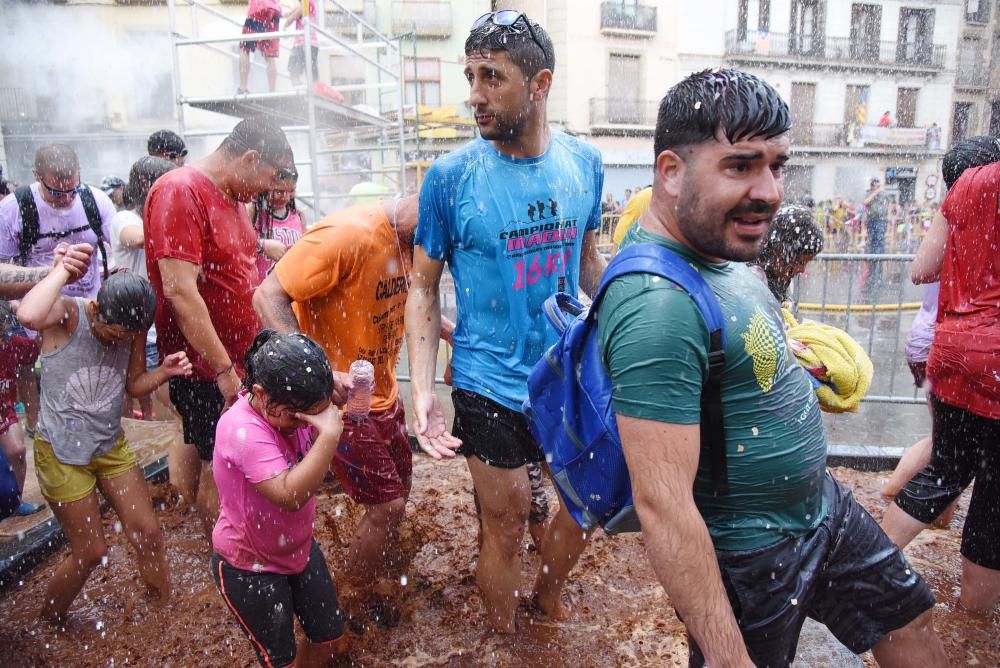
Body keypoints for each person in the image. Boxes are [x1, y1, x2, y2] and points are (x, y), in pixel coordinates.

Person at [600, 68, 945, 667]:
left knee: (910, 626)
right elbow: (664, 508)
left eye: (777, 166)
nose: (770, 191)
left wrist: (795, 368)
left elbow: (742, 356)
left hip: (823, 512)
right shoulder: (655, 303)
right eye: (740, 165)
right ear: (671, 171)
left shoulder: (724, 246)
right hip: (750, 557)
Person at [405, 10, 607, 633]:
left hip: (565, 370)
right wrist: (422, 391)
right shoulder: (450, 178)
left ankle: (546, 598)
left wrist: (627, 343)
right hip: (486, 378)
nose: (474, 95)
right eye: (470, 75)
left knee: (584, 503)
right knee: (508, 517)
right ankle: (502, 637)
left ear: (540, 84)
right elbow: (422, 285)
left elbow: (590, 263)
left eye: (491, 77)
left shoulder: (584, 164)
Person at [255, 196, 455, 621]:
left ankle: (380, 577)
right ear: (425, 204)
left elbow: (404, 303)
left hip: (381, 395)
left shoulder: (414, 243)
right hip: (342, 403)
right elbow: (267, 296)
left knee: (399, 494)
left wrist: (448, 332)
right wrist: (322, 373)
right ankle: (348, 601)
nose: (437, 255)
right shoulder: (348, 235)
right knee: (388, 507)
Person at [144, 116, 295, 536]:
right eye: (267, 177)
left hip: (239, 359)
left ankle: (226, 538)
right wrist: (225, 371)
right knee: (222, 463)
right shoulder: (180, 191)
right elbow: (180, 292)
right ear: (248, 158)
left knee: (225, 457)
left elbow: (239, 268)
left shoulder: (233, 197)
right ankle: (231, 556)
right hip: (207, 368)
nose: (268, 189)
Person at [16, 268, 192, 622]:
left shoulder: (134, 328)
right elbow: (28, 315)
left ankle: (162, 612)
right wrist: (62, 271)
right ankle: (48, 624)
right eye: (115, 334)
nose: (120, 343)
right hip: (62, 455)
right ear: (96, 310)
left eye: (129, 337)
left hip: (109, 446)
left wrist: (166, 372)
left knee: (149, 532)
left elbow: (134, 384)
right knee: (91, 551)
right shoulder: (68, 314)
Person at [881, 135, 1000, 615]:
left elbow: (923, 268)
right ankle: (974, 617)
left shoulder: (966, 186)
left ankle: (868, 564)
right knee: (993, 496)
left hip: (951, 347)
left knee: (946, 466)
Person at [212, 329, 345, 668]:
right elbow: (290, 495)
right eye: (297, 417)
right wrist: (328, 433)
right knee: (279, 660)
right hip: (249, 565)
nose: (303, 424)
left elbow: (318, 472)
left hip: (297, 549)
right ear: (260, 393)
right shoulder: (241, 429)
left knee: (330, 638)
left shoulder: (291, 405)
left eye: (314, 414)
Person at [0, 144, 116, 437]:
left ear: (79, 176)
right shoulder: (14, 208)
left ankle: (98, 434)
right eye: (55, 193)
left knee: (93, 379)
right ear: (37, 176)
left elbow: (118, 256)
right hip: (39, 312)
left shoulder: (95, 200)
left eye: (71, 191)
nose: (65, 200)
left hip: (88, 309)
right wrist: (51, 275)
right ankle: (39, 428)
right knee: (44, 376)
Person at [111, 156, 179, 420]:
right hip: (141, 325)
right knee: (168, 406)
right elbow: (135, 238)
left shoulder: (161, 218)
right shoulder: (125, 218)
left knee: (168, 407)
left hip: (165, 320)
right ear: (145, 183)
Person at [747, 204, 824, 303]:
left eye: (806, 263)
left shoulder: (775, 279)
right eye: (799, 262)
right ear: (779, 251)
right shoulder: (754, 281)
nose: (801, 270)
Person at [247, 175, 305, 282]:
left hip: (291, 287)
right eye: (279, 192)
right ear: (266, 187)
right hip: (261, 289)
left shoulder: (298, 215)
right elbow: (237, 245)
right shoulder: (253, 211)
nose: (286, 197)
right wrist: (262, 245)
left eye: (290, 191)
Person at [238, 0, 282, 94]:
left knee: (244, 49)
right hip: (274, 11)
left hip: (259, 8)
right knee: (269, 55)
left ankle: (242, 88)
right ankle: (272, 92)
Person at [861, 177, 890, 302]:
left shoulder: (884, 195)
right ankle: (873, 258)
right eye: (876, 186)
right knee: (873, 241)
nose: (879, 188)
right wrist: (875, 192)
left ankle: (878, 258)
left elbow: (889, 205)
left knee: (880, 241)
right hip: (872, 220)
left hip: (881, 220)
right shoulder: (870, 193)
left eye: (879, 186)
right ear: (872, 186)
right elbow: (866, 202)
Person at [285, 0, 319, 86]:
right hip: (310, 44)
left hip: (303, 43)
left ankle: (300, 91)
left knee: (293, 71)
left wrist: (284, 27)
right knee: (310, 72)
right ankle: (311, 90)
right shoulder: (308, 3)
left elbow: (292, 17)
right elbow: (290, 14)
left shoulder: (306, 3)